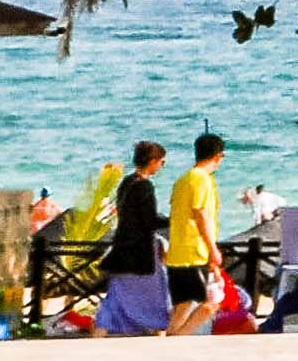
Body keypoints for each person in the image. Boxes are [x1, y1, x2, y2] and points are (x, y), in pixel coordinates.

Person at [92, 137, 172, 336]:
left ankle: (99, 334)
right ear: (153, 161)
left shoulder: (127, 182)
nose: (161, 166)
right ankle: (159, 332)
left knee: (116, 296)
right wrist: (174, 220)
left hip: (122, 249)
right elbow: (149, 220)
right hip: (139, 253)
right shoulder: (144, 186)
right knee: (156, 294)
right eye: (162, 162)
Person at [164, 132, 227, 334]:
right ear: (218, 156)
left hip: (178, 251)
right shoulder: (202, 180)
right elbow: (201, 215)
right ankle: (179, 336)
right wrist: (213, 249)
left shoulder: (183, 180)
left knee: (183, 303)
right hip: (194, 251)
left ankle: (172, 336)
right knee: (212, 300)